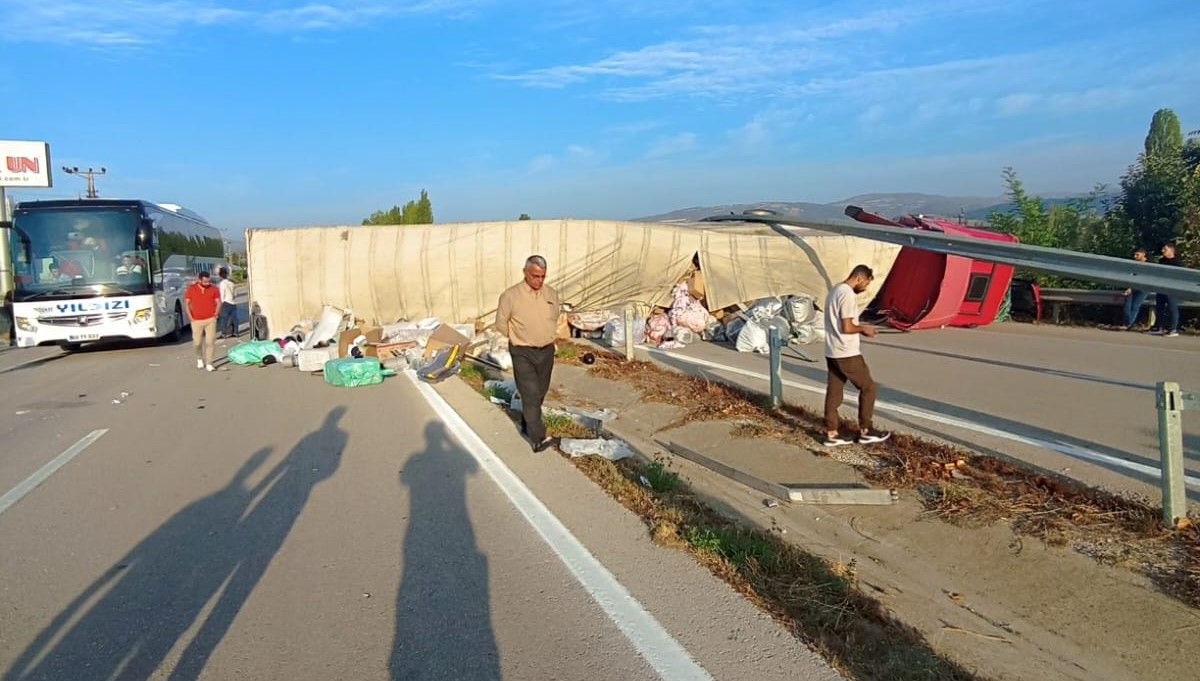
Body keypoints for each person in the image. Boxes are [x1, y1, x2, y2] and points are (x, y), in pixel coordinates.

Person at [495, 255, 561, 452]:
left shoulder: (551, 294)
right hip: (522, 351)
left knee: (540, 391)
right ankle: (538, 437)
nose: (539, 281)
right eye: (535, 276)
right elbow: (500, 323)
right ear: (525, 273)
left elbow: (554, 316)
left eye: (542, 276)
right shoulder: (510, 296)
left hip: (546, 351)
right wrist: (517, 337)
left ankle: (527, 423)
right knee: (530, 393)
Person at [822, 265, 890, 447]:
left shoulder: (834, 290)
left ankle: (832, 433)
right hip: (847, 352)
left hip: (832, 350)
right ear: (860, 278)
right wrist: (864, 328)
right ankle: (866, 430)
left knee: (834, 392)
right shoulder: (847, 294)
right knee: (868, 388)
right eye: (866, 283)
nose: (866, 287)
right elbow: (847, 327)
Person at [184, 271, 221, 371]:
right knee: (197, 342)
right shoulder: (191, 289)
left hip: (210, 319)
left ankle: (209, 362)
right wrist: (190, 317)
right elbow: (187, 303)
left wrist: (216, 314)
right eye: (204, 282)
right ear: (199, 280)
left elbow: (218, 302)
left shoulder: (213, 289)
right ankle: (199, 358)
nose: (206, 283)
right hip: (196, 320)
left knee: (210, 342)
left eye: (208, 281)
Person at [1150, 242, 1183, 337]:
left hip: (1172, 288)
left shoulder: (1178, 262)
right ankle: (1158, 327)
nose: (1162, 251)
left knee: (1172, 308)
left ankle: (1173, 329)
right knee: (1159, 307)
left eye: (1165, 249)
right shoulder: (1162, 260)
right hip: (1161, 287)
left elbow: (1180, 276)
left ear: (1171, 250)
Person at [1121, 248, 1149, 330]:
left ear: (1143, 254)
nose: (1135, 256)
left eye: (1137, 255)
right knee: (1127, 306)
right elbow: (1130, 276)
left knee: (1135, 306)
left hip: (1143, 288)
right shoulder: (1133, 264)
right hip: (1132, 287)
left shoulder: (1149, 265)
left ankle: (1128, 325)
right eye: (1134, 255)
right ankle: (1128, 323)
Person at [216, 266, 238, 338]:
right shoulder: (232, 283)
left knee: (224, 319)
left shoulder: (222, 283)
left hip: (225, 303)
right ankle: (235, 332)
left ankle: (223, 334)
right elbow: (235, 294)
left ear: (220, 275)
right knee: (234, 319)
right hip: (233, 303)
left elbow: (222, 295)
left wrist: (221, 304)